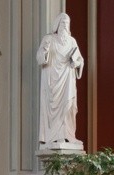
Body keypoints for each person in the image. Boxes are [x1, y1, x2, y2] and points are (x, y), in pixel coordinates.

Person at [37, 13, 84, 147]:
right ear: (57, 24)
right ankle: (54, 137)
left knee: (69, 106)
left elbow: (80, 60)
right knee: (53, 107)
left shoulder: (72, 41)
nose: (65, 25)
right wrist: (44, 51)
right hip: (53, 80)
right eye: (62, 22)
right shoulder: (49, 39)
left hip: (68, 78)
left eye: (67, 23)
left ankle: (68, 135)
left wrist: (76, 63)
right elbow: (40, 58)